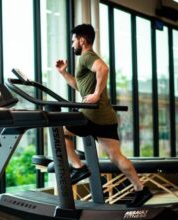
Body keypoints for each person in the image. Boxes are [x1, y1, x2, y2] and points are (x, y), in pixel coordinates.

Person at [55, 24, 152, 207]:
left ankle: (79, 168)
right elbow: (80, 86)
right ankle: (141, 189)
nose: (72, 44)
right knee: (116, 156)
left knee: (59, 131)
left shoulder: (87, 56)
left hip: (91, 115)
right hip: (106, 117)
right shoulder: (86, 60)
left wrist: (97, 94)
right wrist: (63, 73)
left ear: (82, 40)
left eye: (73, 40)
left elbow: (104, 69)